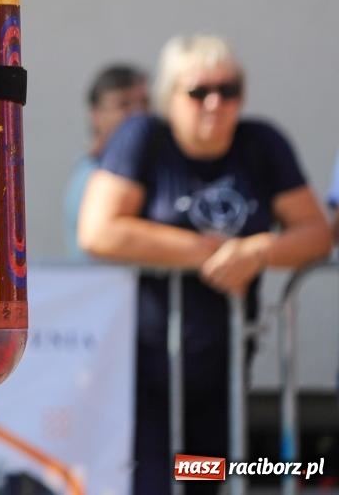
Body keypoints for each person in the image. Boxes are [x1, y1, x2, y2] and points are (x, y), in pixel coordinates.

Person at [78, 34, 330, 495]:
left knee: (203, 479)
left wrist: (256, 251)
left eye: (228, 90)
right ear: (170, 96)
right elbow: (99, 231)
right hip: (142, 369)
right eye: (198, 92)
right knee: (151, 483)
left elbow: (315, 235)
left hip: (225, 367)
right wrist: (211, 252)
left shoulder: (261, 143)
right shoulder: (143, 138)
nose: (215, 103)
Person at [63, 64, 149, 258]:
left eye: (144, 103)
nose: (138, 115)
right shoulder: (92, 176)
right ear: (95, 115)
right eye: (124, 104)